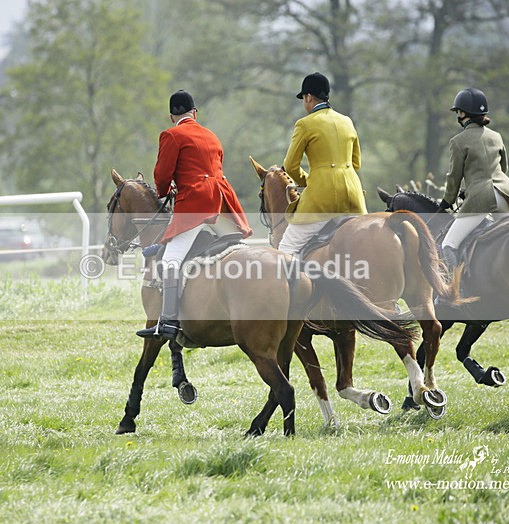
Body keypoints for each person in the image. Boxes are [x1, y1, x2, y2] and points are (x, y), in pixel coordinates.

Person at [136, 90, 253, 340]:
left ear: (171, 116)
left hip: (196, 203)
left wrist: (165, 191)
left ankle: (167, 321)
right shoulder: (211, 135)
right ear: (195, 113)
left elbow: (162, 174)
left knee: (170, 261)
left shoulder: (171, 134)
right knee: (240, 249)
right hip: (222, 200)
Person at [278, 72, 367, 256]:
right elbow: (356, 163)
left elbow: (290, 165)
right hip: (353, 197)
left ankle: (296, 285)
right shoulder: (347, 121)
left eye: (304, 98)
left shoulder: (305, 124)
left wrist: (307, 181)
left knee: (286, 249)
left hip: (322, 199)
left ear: (309, 97)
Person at [437, 87, 509, 269]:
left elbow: (454, 176)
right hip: (506, 195)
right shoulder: (496, 136)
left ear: (462, 113)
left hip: (481, 199)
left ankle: (455, 292)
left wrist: (448, 200)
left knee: (448, 245)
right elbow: (503, 168)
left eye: (458, 112)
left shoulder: (458, 141)